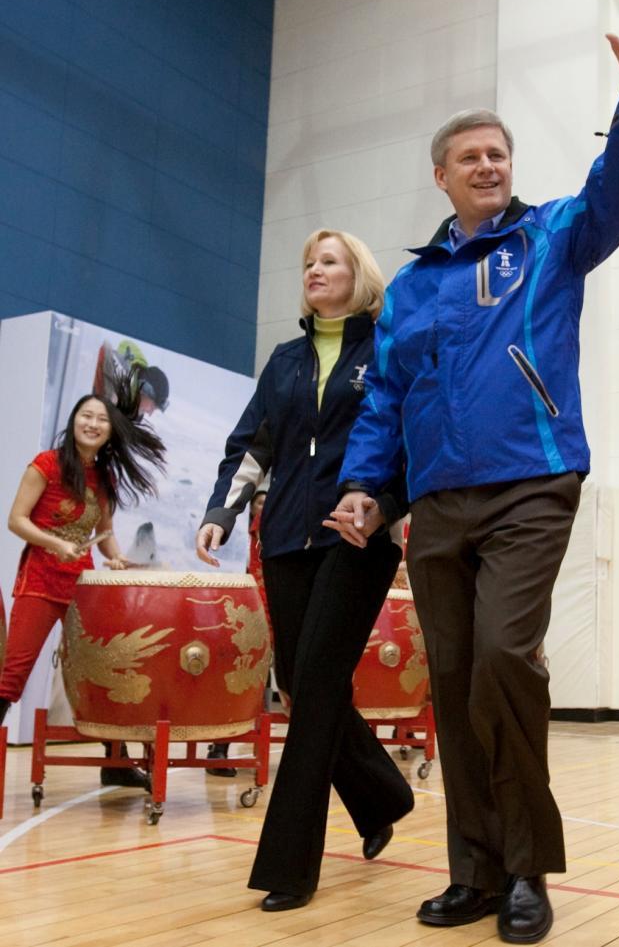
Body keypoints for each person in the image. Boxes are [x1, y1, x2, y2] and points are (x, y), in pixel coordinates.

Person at [327, 0, 619, 945]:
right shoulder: (407, 290)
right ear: (440, 176)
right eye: (471, 157)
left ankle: (528, 869)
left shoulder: (550, 237)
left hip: (533, 483)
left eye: (501, 154)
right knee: (452, 682)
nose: (490, 166)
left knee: (501, 662)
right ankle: (475, 872)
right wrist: (366, 488)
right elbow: (387, 401)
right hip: (438, 504)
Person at [195, 229, 414, 911]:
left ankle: (289, 864)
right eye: (309, 262)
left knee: (317, 683)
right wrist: (222, 512)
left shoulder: (386, 348)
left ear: (360, 274)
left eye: (330, 260)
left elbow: (409, 437)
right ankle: (382, 794)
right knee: (298, 679)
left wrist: (383, 505)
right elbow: (252, 447)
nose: (315, 270)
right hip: (285, 535)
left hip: (357, 538)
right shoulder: (285, 360)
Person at [0, 372, 166, 789]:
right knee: (14, 672)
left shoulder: (104, 478)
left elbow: (104, 533)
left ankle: (116, 763)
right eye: (85, 416)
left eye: (101, 419)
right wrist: (54, 544)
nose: (92, 424)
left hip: (83, 588)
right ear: (74, 422)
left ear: (110, 431)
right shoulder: (46, 465)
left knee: (102, 672)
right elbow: (16, 520)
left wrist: (117, 560)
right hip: (40, 581)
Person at [205, 484, 269, 778]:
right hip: (251, 611)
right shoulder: (250, 533)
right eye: (258, 503)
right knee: (238, 679)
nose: (262, 508)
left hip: (284, 607)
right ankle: (219, 749)